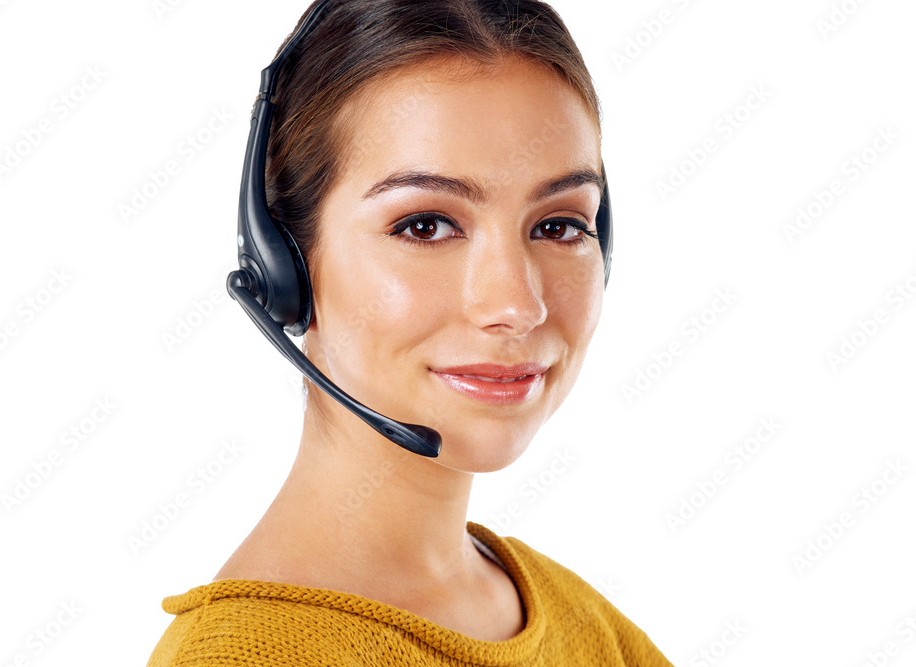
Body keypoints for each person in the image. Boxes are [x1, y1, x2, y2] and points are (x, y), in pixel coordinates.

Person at [146, 0, 673, 664]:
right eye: (425, 225)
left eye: (558, 225)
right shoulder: (243, 656)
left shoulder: (585, 625)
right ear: (285, 260)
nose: (516, 304)